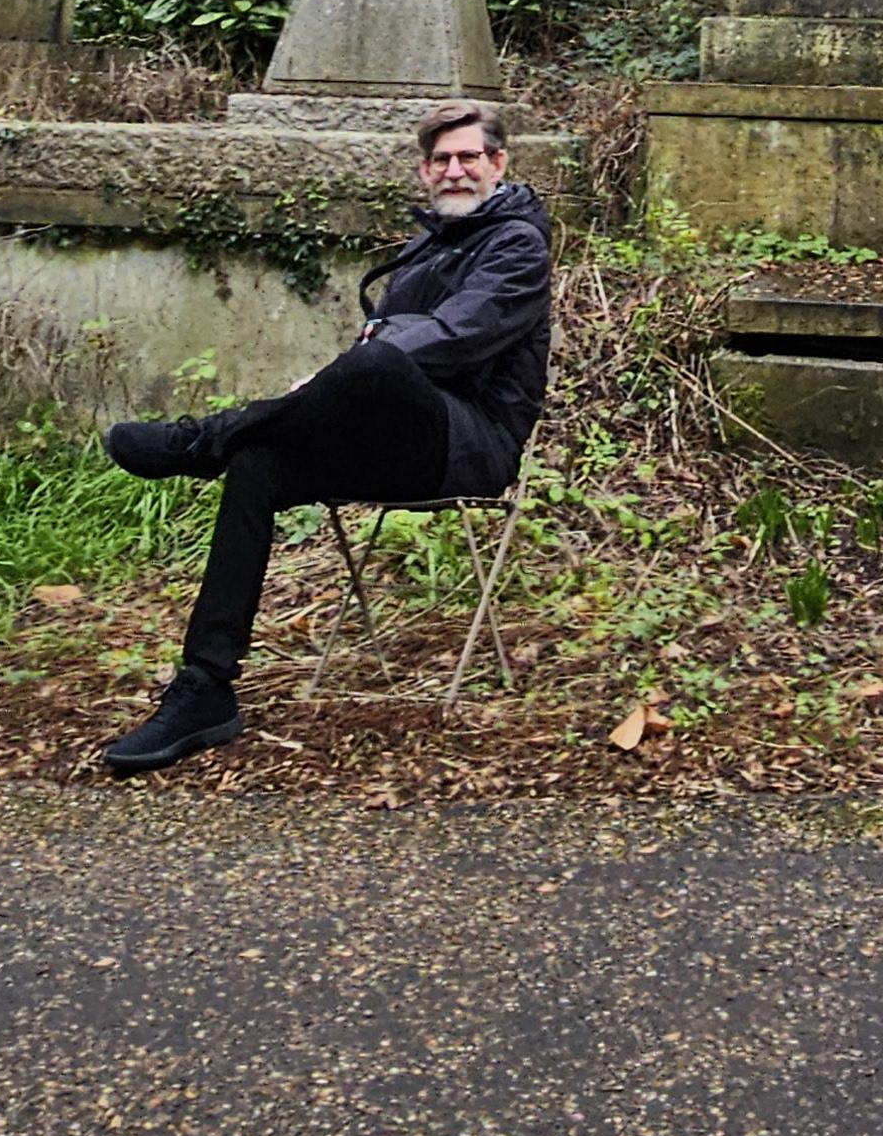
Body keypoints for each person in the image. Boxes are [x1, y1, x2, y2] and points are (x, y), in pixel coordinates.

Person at [95, 100, 553, 775]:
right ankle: (205, 687)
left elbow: (455, 339)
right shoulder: (426, 247)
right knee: (259, 463)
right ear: (424, 172)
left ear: (498, 163)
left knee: (373, 364)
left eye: (468, 157)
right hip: (401, 438)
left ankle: (203, 441)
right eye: (440, 160)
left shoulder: (517, 244)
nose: (454, 170)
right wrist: (351, 371)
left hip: (471, 445)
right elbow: (385, 356)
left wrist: (368, 357)